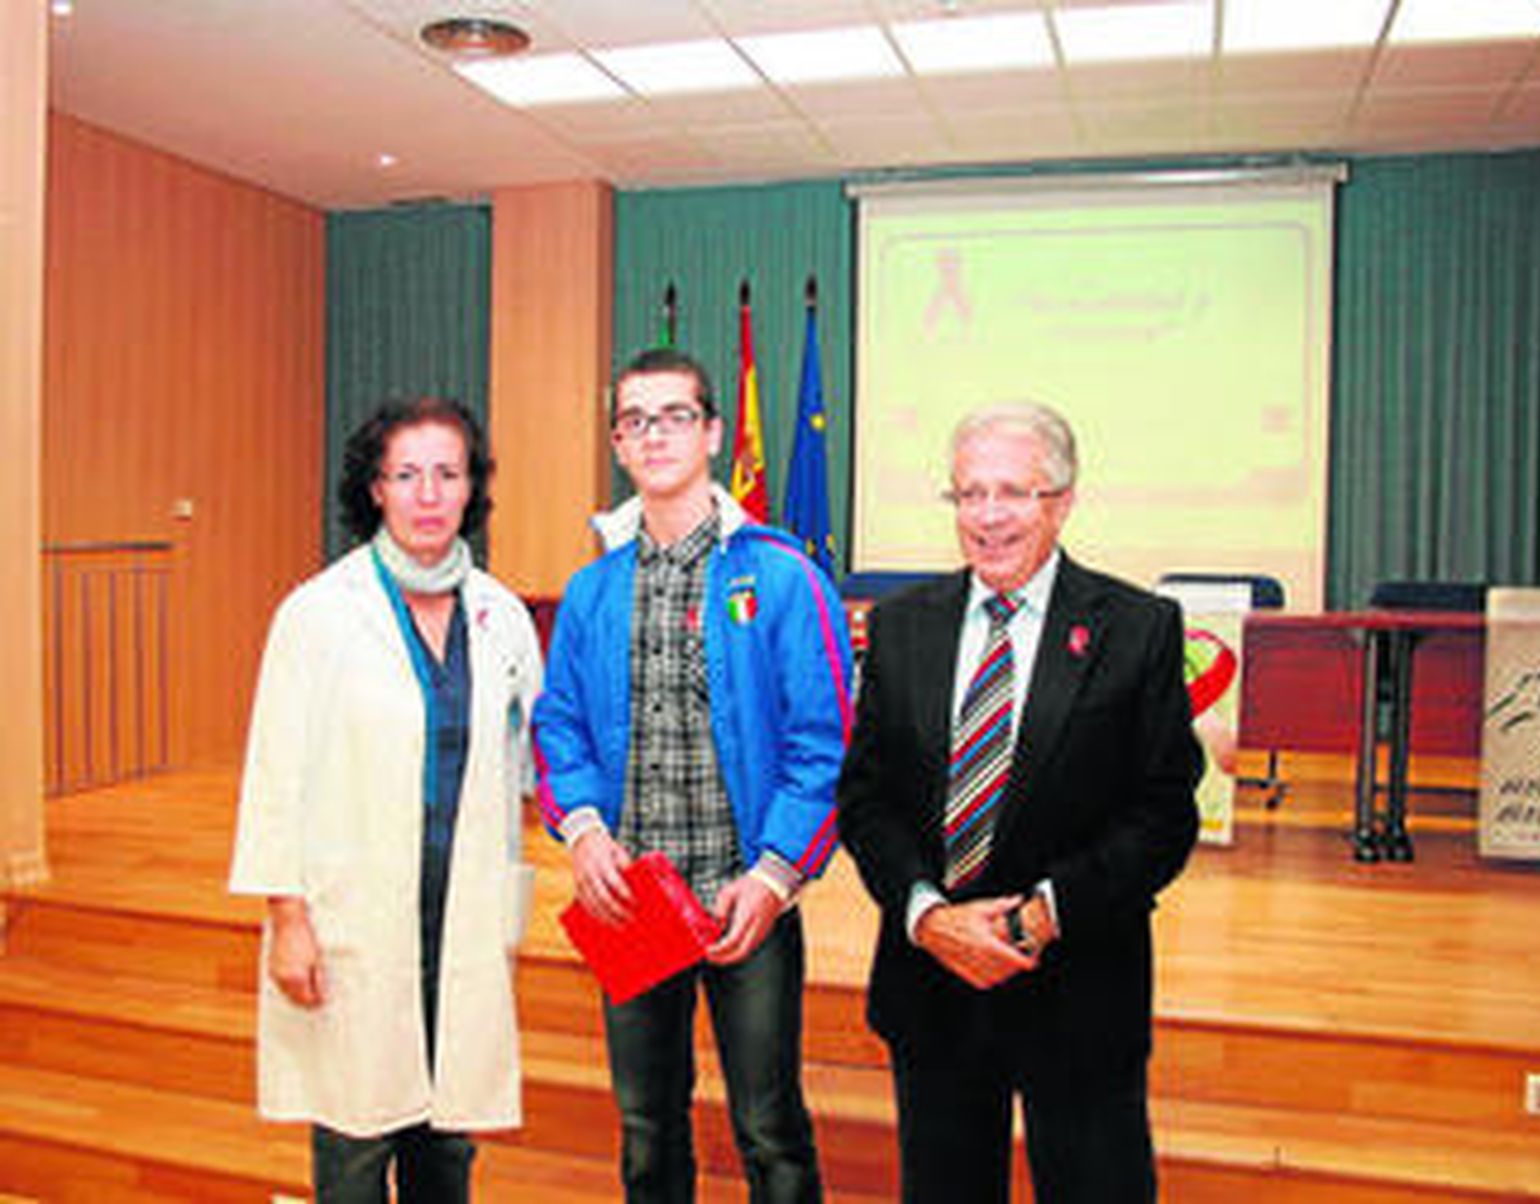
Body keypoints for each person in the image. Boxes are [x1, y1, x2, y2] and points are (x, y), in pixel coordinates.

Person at [837, 401, 1201, 1204]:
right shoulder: (899, 628)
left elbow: (1165, 813)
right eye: (969, 494)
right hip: (934, 987)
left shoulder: (1137, 628)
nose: (988, 517)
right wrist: (928, 916)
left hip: (1080, 990)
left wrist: (1042, 913)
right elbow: (865, 800)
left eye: (1013, 493)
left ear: (1063, 501)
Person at [533, 347, 853, 1203]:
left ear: (713, 432)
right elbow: (558, 725)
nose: (654, 434)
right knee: (645, 1128)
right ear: (617, 444)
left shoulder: (785, 578)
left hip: (744, 897)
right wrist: (585, 829)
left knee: (769, 1128)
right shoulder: (593, 591)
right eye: (635, 420)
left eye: (675, 415)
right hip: (633, 901)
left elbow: (825, 745)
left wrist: (776, 875)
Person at [230, 397, 542, 1203]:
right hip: (352, 924)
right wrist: (288, 918)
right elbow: (274, 774)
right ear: (374, 489)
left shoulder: (501, 615)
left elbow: (537, 759)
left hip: (461, 920)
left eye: (448, 473)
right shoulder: (318, 614)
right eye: (407, 475)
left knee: (448, 1151)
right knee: (356, 1147)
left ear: (473, 487)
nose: (429, 494)